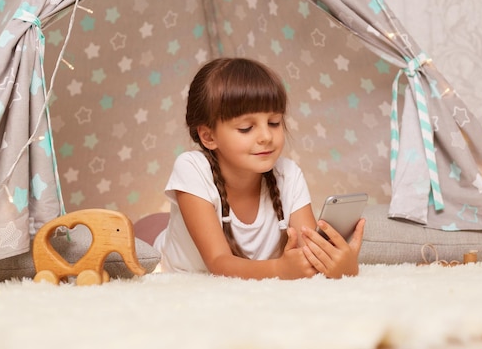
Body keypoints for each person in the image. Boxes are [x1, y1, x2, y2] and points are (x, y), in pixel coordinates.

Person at [153, 57, 365, 279]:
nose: (266, 136)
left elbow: (310, 253)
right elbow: (218, 262)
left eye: (274, 123)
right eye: (246, 128)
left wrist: (344, 265)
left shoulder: (288, 174)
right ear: (208, 136)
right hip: (169, 258)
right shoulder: (191, 168)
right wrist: (278, 269)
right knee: (142, 231)